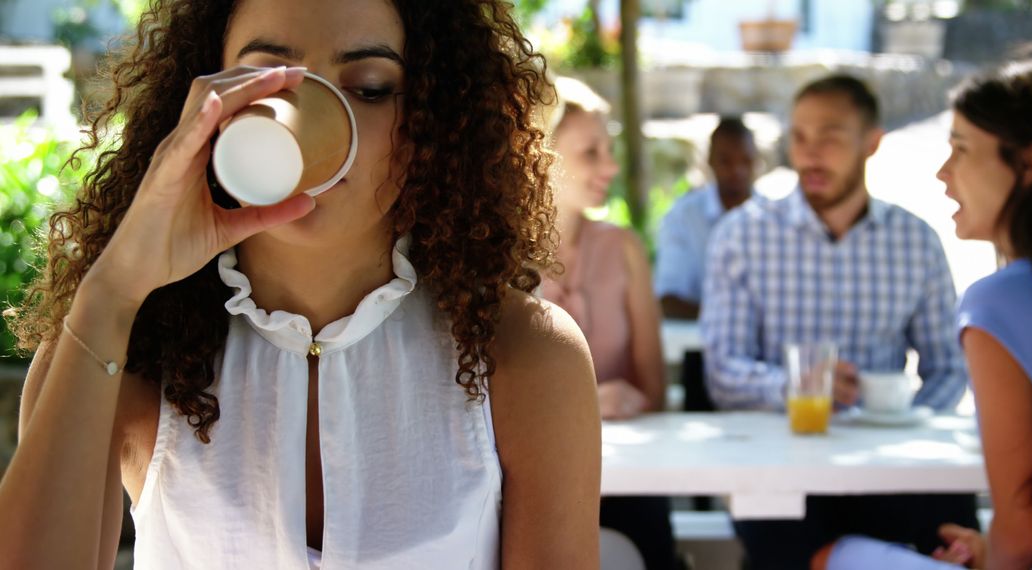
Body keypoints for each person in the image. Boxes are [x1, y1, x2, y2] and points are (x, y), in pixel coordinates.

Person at [0, 1, 602, 568]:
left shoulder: (523, 354)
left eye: (368, 88)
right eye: (261, 82)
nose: (306, 120)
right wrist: (112, 291)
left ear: (431, 120)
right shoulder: (118, 346)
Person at [700, 74, 974, 568]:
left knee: (956, 525)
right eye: (799, 136)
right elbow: (723, 371)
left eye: (829, 135)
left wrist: (901, 425)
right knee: (778, 533)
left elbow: (949, 367)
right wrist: (801, 386)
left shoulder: (917, 241)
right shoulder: (740, 237)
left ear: (873, 142)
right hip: (783, 466)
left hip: (891, 467)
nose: (809, 154)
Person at [816, 60, 1032, 570]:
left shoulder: (999, 303)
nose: (942, 172)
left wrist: (994, 555)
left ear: (1028, 164)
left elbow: (1025, 531)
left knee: (831, 557)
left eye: (960, 149)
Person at [540, 76, 675, 569]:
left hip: (630, 475)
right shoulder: (496, 259)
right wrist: (588, 406)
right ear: (540, 155)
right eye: (591, 152)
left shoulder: (623, 249)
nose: (610, 166)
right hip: (536, 478)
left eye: (609, 149)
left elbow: (654, 390)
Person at [655, 116, 759, 321]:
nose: (737, 170)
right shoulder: (683, 217)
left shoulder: (774, 217)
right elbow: (667, 299)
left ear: (756, 161)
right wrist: (730, 320)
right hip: (698, 345)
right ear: (710, 161)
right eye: (726, 161)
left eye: (745, 161)